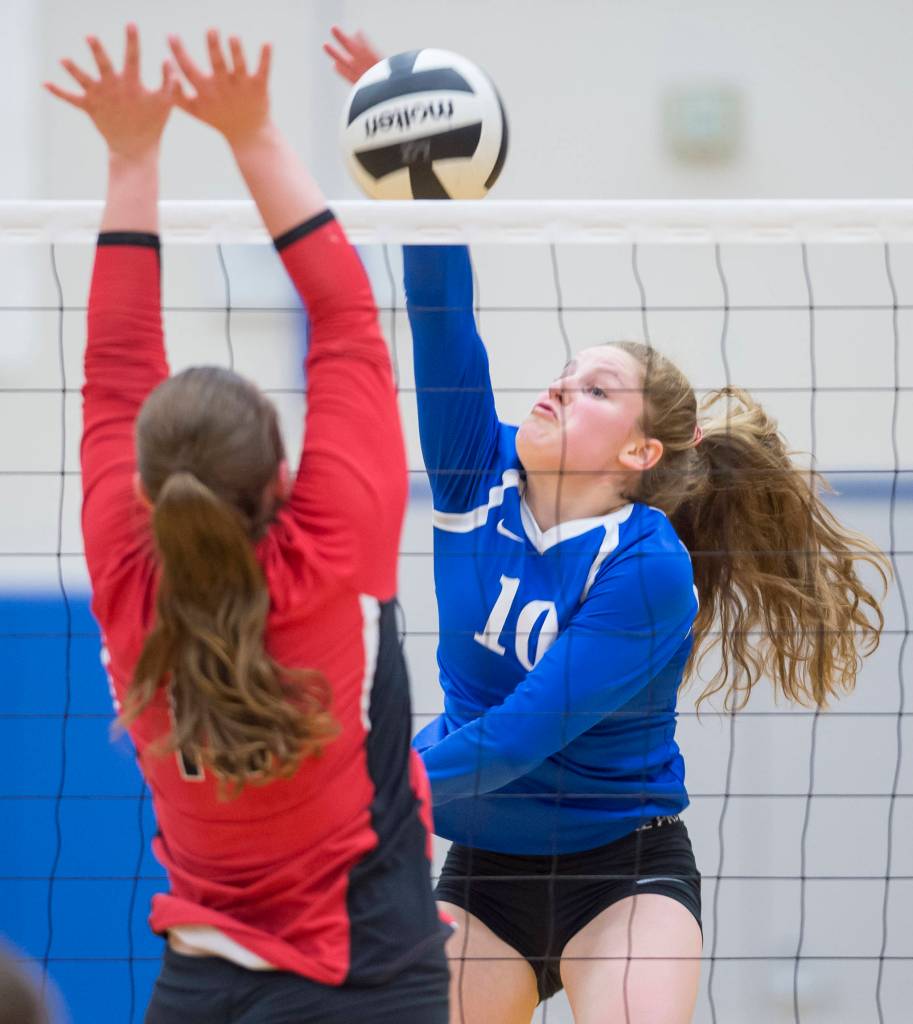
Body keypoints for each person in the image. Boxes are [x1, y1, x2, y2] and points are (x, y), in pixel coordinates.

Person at [323, 27, 891, 1024]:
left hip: (620, 871)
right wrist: (422, 189)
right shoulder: (475, 473)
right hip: (481, 868)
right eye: (564, 372)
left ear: (639, 451)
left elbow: (516, 740)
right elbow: (440, 314)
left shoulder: (647, 566)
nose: (558, 387)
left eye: (594, 388)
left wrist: (350, 792)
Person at [45, 25, 450, 1024]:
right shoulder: (332, 552)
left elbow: (114, 369)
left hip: (198, 986)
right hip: (361, 977)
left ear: (146, 496)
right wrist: (250, 133)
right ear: (281, 474)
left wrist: (132, 159)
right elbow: (348, 320)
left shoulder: (126, 574)